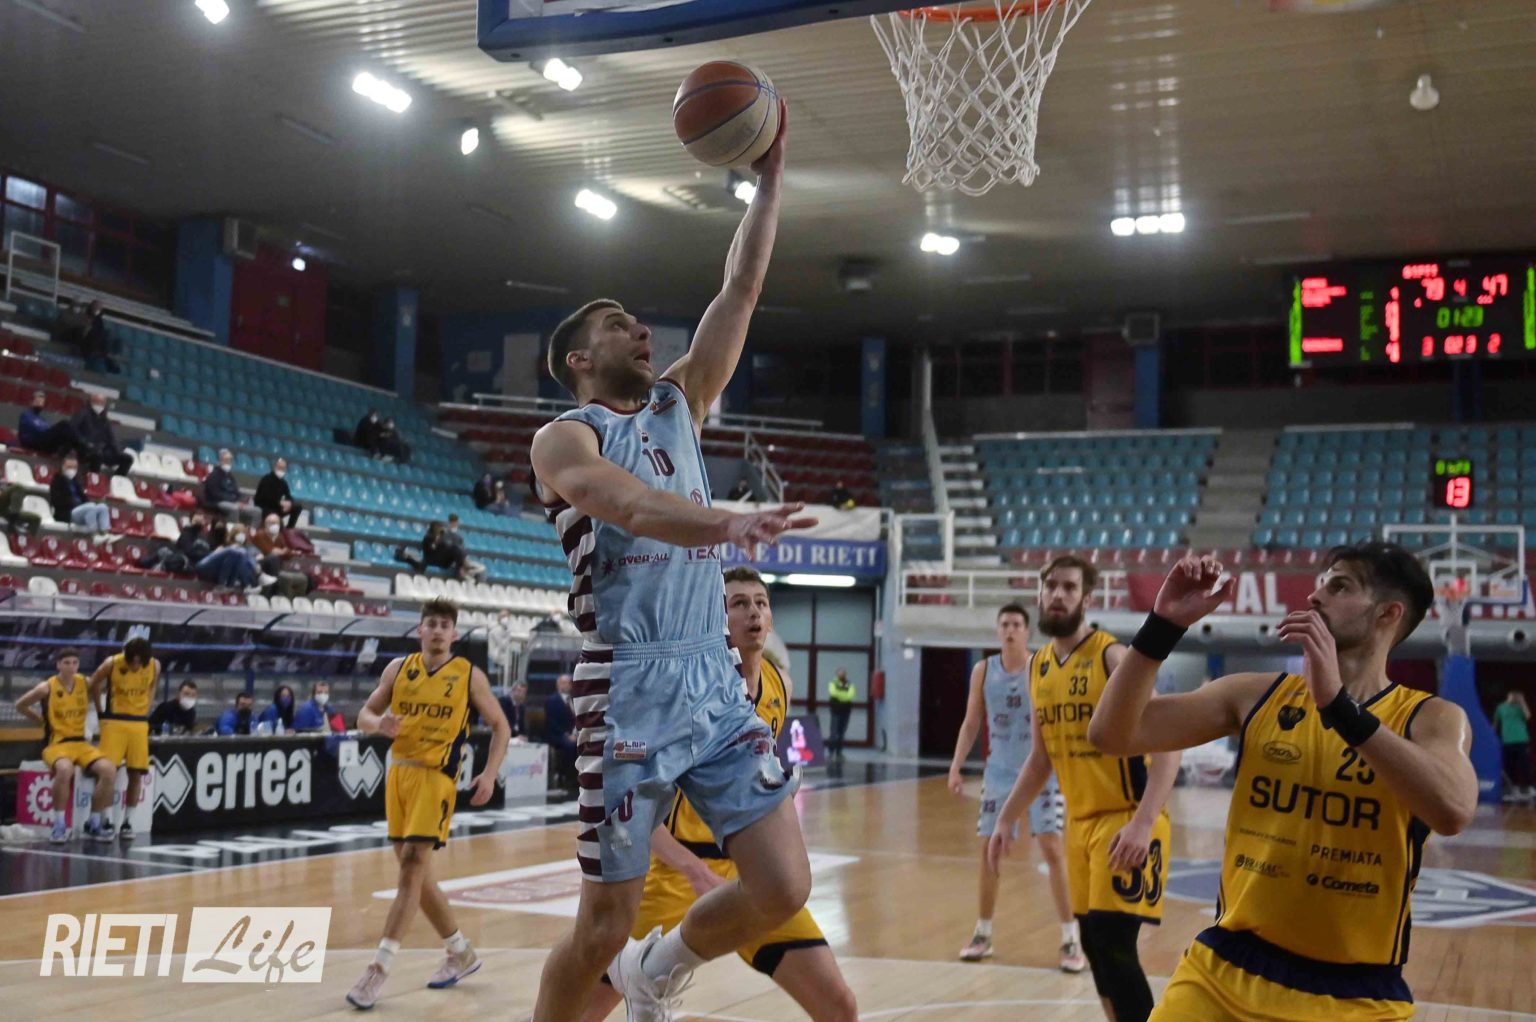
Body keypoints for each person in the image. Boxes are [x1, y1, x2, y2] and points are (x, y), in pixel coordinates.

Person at [527, 106, 815, 1022]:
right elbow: (629, 506)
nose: (640, 330)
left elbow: (742, 285)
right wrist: (728, 521)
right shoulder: (565, 437)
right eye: (619, 326)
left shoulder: (678, 403)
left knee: (785, 883)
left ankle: (657, 968)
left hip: (710, 677)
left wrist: (770, 177)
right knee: (600, 926)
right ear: (580, 358)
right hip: (628, 683)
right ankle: (616, 969)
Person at [1090, 545, 1475, 1021]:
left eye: (1339, 586)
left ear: (1388, 614)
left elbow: (1453, 810)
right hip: (1224, 970)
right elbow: (1112, 734)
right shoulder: (1256, 694)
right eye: (1320, 583)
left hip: (1356, 995)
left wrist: (1339, 708)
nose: (1315, 596)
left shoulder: (1431, 717)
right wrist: (1163, 625)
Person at [576, 567, 858, 1022]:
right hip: (677, 873)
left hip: (750, 871)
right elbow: (640, 809)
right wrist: (692, 868)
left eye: (761, 603)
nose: (753, 613)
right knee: (584, 1008)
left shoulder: (780, 684)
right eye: (739, 604)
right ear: (715, 617)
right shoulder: (687, 691)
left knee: (840, 1006)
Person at [987, 554, 1181, 1022]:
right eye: (1051, 586)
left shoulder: (1112, 657)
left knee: (1115, 945)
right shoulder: (1038, 667)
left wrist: (1144, 822)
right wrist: (1006, 818)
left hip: (1127, 820)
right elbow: (1041, 758)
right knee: (1095, 948)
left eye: (1069, 587)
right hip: (1079, 827)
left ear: (1087, 599)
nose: (1057, 594)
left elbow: (1168, 743)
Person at [346, 598, 509, 1009]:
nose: (437, 631)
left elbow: (500, 726)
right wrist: (379, 724)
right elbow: (364, 715)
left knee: (412, 867)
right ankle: (460, 951)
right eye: (431, 624)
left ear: (454, 634)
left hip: (437, 778)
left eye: (444, 625)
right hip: (399, 775)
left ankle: (379, 968)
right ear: (420, 630)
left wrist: (489, 773)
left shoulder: (468, 675)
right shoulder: (398, 669)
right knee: (415, 877)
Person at [948, 603, 1083, 972]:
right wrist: (956, 765)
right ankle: (983, 932)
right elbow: (971, 722)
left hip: (1041, 771)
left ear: (1027, 631)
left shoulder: (1042, 666)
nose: (1010, 629)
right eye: (1004, 624)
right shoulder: (983, 670)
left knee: (1052, 848)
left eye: (1016, 624)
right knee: (989, 850)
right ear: (998, 630)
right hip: (999, 774)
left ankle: (1071, 937)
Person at [14, 648, 118, 843]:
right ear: (58, 665)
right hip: (57, 744)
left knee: (109, 770)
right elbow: (20, 704)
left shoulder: (85, 682)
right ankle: (59, 824)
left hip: (80, 743)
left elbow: (102, 685)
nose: (71, 667)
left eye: (75, 663)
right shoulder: (47, 687)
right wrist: (40, 721)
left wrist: (101, 711)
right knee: (64, 770)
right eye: (67, 663)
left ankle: (94, 822)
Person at [88, 636, 161, 841]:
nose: (136, 663)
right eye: (133, 659)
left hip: (139, 723)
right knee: (108, 773)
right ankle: (106, 819)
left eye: (140, 660)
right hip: (115, 721)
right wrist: (100, 710)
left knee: (136, 774)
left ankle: (128, 822)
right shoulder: (112, 663)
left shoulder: (154, 665)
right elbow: (93, 683)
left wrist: (147, 708)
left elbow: (153, 686)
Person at [49, 453, 113, 543]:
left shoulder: (75, 481)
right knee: (90, 507)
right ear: (63, 466)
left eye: (74, 467)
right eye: (69, 467)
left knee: (103, 507)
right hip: (67, 513)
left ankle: (105, 534)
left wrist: (85, 504)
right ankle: (94, 535)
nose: (72, 470)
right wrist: (73, 503)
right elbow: (55, 501)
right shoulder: (57, 481)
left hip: (81, 511)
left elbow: (83, 497)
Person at [69, 394, 134, 476]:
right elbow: (72, 429)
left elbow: (111, 437)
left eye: (102, 403)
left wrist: (116, 450)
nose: (99, 405)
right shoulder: (82, 414)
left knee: (128, 459)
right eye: (97, 402)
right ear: (91, 402)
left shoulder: (104, 419)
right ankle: (93, 479)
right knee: (97, 455)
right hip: (86, 449)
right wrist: (84, 442)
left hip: (103, 450)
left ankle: (117, 479)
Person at [1494, 689, 1534, 802]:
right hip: (1507, 741)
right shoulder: (1501, 707)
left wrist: (1522, 702)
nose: (1515, 697)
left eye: (1517, 695)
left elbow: (1528, 716)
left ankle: (1528, 788)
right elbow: (1495, 723)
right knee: (1510, 766)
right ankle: (1513, 789)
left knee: (1525, 765)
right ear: (1509, 695)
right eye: (1513, 695)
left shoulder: (1519, 707)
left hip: (1521, 740)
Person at [18, 389, 82, 455]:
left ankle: (63, 455)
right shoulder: (26, 415)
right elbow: (38, 430)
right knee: (64, 424)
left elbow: (47, 431)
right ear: (31, 402)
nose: (40, 404)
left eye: (41, 402)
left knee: (68, 436)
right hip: (32, 442)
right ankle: (81, 448)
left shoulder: (42, 419)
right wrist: (52, 433)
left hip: (43, 442)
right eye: (37, 401)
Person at [544, 673, 577, 787]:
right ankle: (568, 778)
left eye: (568, 683)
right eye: (563, 683)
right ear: (558, 685)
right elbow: (552, 723)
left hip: (574, 734)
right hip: (557, 735)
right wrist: (567, 735)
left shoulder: (574, 700)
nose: (566, 685)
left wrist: (576, 733)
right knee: (571, 746)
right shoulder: (552, 700)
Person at [203, 448, 254, 522]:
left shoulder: (230, 476)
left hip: (232, 501)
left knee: (255, 510)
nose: (229, 462)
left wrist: (243, 498)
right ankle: (233, 527)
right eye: (226, 460)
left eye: (230, 460)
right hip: (217, 502)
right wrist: (234, 501)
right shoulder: (214, 475)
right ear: (221, 460)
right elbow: (215, 493)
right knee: (234, 508)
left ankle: (249, 528)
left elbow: (235, 491)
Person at [255, 457, 302, 529]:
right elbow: (265, 498)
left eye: (283, 469)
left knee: (297, 506)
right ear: (275, 467)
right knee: (279, 524)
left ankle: (290, 528)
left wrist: (289, 503)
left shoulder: (283, 483)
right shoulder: (266, 479)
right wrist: (280, 503)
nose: (281, 470)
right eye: (280, 468)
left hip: (277, 507)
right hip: (266, 508)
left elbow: (288, 496)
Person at [443, 514, 488, 580]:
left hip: (460, 559)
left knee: (482, 569)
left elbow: (462, 548)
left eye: (456, 522)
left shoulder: (459, 535)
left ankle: (470, 574)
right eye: (453, 522)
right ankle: (466, 575)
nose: (455, 524)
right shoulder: (445, 534)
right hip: (452, 560)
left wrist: (465, 559)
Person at [825, 668, 855, 761]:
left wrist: (840, 696)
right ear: (837, 674)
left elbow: (850, 695)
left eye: (843, 673)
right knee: (833, 733)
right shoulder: (833, 683)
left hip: (846, 712)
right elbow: (833, 693)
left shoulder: (849, 684)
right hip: (835, 712)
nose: (841, 675)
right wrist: (844, 696)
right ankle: (831, 752)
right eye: (840, 673)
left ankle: (839, 753)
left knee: (842, 733)